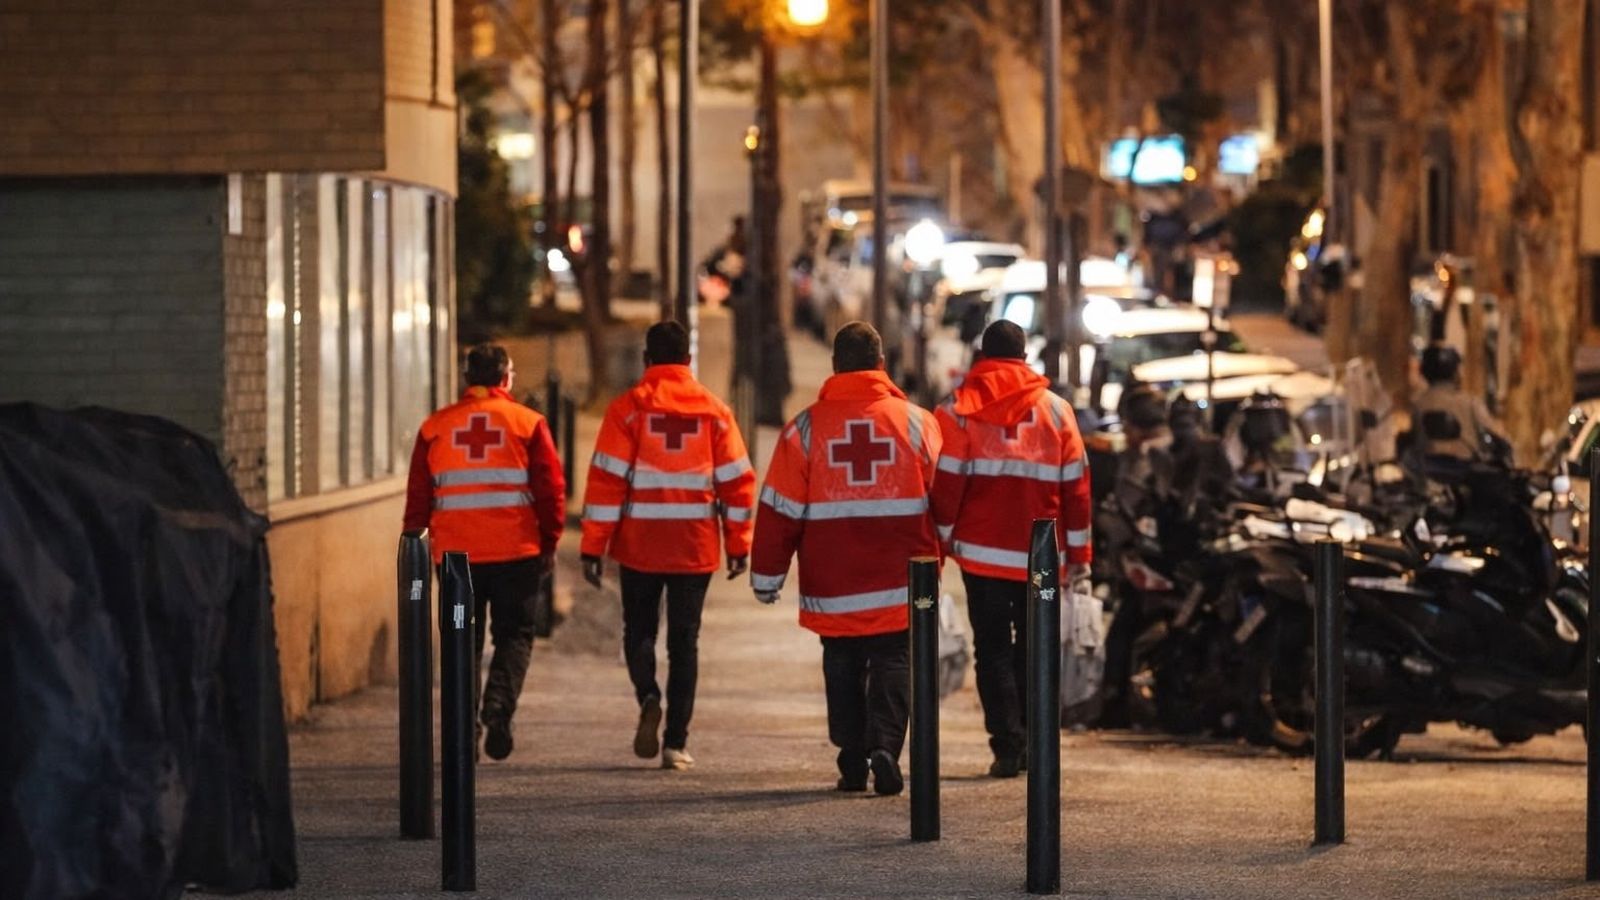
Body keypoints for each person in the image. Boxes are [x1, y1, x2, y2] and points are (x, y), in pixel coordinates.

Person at [750, 322, 943, 795]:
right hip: (903, 577)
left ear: (835, 367)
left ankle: (851, 756)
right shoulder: (917, 423)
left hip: (833, 584)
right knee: (895, 659)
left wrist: (766, 577)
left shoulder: (805, 430)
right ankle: (885, 747)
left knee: (841, 663)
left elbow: (780, 511)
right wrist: (943, 554)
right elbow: (947, 497)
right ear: (881, 364)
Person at [580, 321, 757, 771]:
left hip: (640, 542)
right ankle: (676, 743)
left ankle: (648, 695)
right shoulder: (715, 412)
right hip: (693, 544)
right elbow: (737, 482)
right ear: (688, 362)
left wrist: (593, 547)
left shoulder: (628, 410)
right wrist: (739, 543)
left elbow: (606, 483)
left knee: (639, 632)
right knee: (685, 643)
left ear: (647, 361)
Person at [929, 320, 1092, 777]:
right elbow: (1077, 490)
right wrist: (1080, 558)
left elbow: (947, 487)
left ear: (983, 355)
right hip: (1040, 558)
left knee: (993, 650)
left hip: (982, 557)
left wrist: (938, 547)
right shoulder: (1058, 412)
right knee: (1035, 650)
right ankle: (1034, 740)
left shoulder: (958, 411)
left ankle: (1006, 744)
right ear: (1024, 358)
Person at [402, 344, 566, 762]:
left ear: (466, 379)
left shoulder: (435, 427)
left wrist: (413, 551)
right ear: (506, 378)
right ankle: (498, 709)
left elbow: (419, 499)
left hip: (456, 558)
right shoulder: (527, 423)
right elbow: (550, 491)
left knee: (463, 642)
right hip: (516, 553)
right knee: (514, 635)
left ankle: (464, 729)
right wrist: (549, 543)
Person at [1411, 343, 1510, 463]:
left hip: (1427, 470)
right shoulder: (1470, 403)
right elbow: (1496, 435)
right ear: (1455, 372)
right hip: (1465, 472)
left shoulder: (1417, 404)